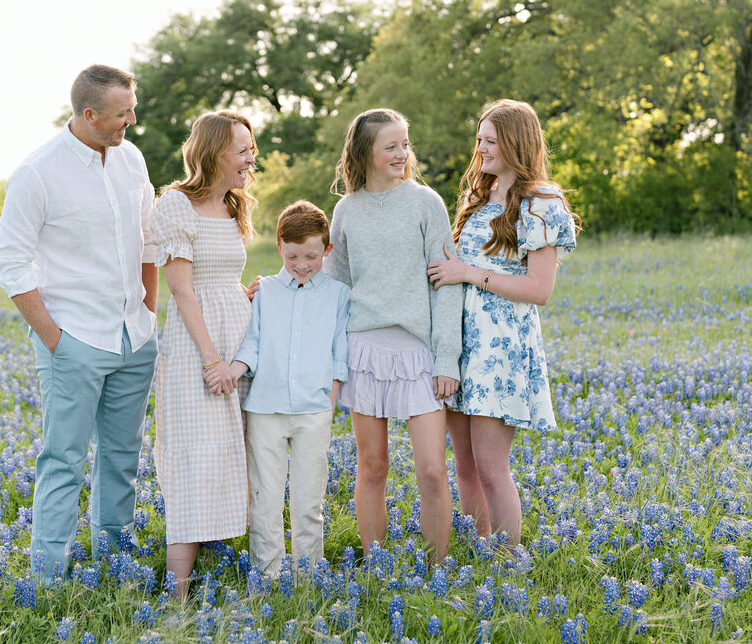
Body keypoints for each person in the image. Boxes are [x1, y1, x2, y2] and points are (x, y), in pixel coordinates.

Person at [0, 64, 159, 583]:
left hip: (134, 335)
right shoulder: (38, 172)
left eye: (131, 109)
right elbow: (11, 265)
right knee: (63, 459)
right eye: (121, 114)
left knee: (122, 456)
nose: (130, 121)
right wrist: (56, 341)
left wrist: (149, 312)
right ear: (89, 114)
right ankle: (47, 577)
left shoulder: (131, 159)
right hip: (76, 338)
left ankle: (111, 561)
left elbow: (148, 239)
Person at [426, 99, 580, 548]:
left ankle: (509, 560)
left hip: (500, 349)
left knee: (493, 469)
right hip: (458, 344)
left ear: (515, 143)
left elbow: (539, 290)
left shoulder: (542, 204)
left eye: (490, 141)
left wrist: (471, 274)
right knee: (466, 467)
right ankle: (480, 550)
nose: (481, 149)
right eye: (479, 139)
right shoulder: (479, 197)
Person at [323, 108, 462, 563]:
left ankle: (436, 569)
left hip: (418, 351)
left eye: (406, 144)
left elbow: (447, 284)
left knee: (432, 471)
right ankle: (377, 565)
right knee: (373, 466)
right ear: (365, 152)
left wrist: (447, 359)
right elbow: (334, 286)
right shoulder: (346, 210)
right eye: (391, 146)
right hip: (363, 349)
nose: (403, 153)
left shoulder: (426, 203)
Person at [150, 110, 257, 597]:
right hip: (199, 346)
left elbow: (221, 282)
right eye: (243, 149)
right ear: (215, 152)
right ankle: (177, 592)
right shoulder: (175, 205)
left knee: (247, 448)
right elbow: (184, 291)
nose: (251, 158)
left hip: (240, 335)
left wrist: (245, 296)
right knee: (198, 454)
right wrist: (212, 360)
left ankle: (243, 563)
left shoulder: (235, 206)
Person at [227, 200, 350, 578]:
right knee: (264, 497)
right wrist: (235, 368)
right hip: (265, 408)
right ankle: (267, 576)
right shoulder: (263, 291)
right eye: (293, 255)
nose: (301, 264)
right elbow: (253, 342)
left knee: (308, 499)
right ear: (279, 247)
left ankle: (307, 575)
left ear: (326, 251)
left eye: (311, 256)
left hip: (313, 411)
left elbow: (339, 351)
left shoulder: (338, 293)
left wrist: (330, 398)